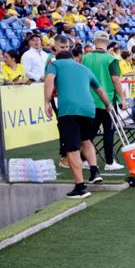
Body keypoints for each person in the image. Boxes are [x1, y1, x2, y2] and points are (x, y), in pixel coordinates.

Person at [44, 49, 111, 199]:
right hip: (89, 109)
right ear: (73, 58)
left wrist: (47, 101)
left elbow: (49, 80)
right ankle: (94, 171)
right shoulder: (84, 68)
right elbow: (100, 90)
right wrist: (108, 105)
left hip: (69, 110)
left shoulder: (55, 64)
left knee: (72, 148)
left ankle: (80, 187)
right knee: (86, 140)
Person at [81, 32, 128, 171]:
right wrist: (122, 99)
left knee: (91, 131)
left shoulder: (86, 58)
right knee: (108, 130)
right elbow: (115, 80)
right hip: (106, 99)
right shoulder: (111, 59)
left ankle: (84, 159)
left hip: (90, 99)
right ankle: (109, 161)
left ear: (95, 41)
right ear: (107, 43)